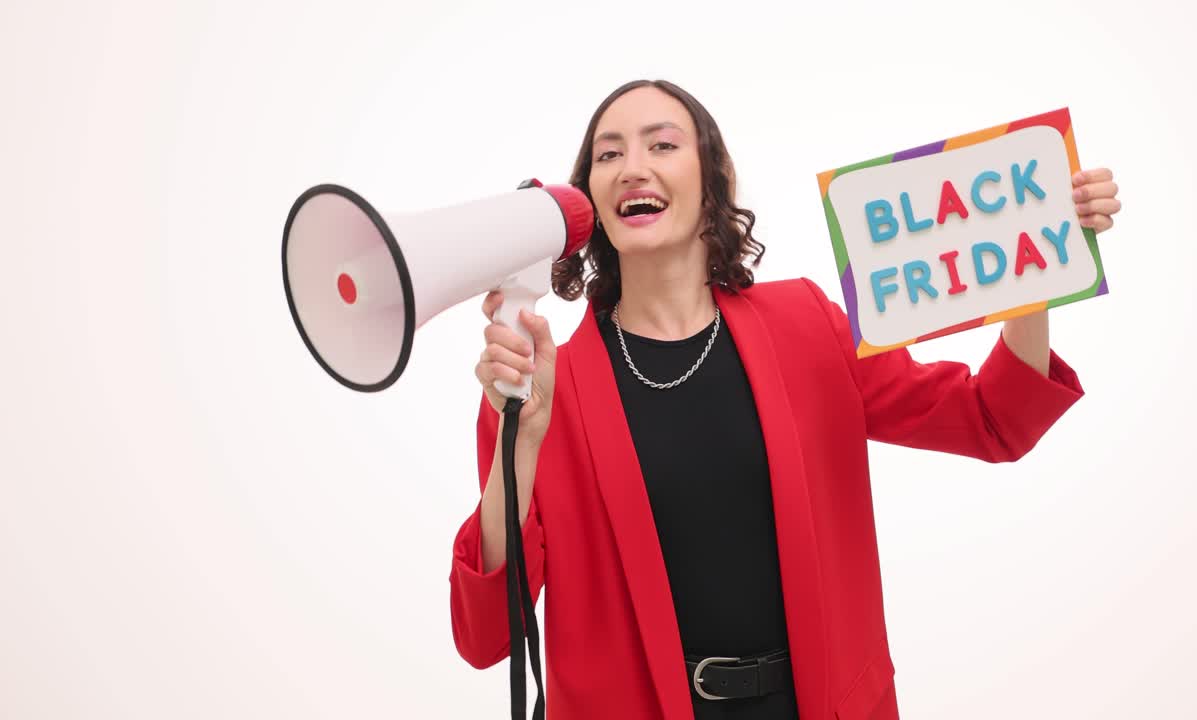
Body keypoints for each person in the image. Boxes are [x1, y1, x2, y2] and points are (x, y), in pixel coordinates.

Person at [449, 79, 1121, 720]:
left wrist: (1039, 260)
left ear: (712, 182)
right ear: (590, 199)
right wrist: (521, 442)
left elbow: (991, 421)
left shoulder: (807, 324)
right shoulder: (537, 388)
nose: (633, 166)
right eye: (608, 153)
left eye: (661, 145)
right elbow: (487, 640)